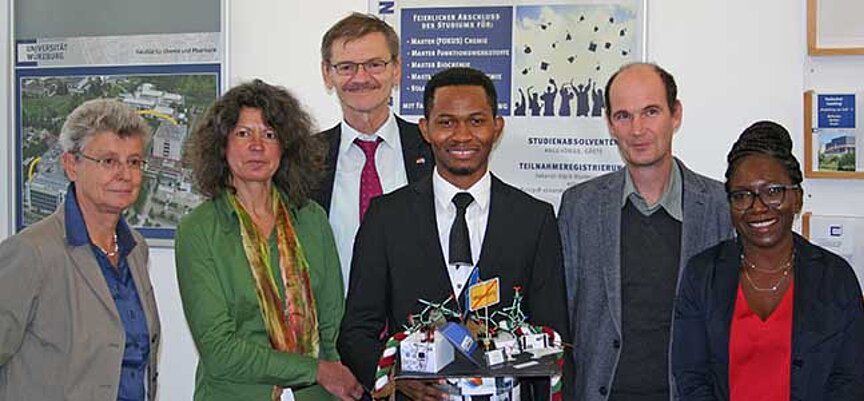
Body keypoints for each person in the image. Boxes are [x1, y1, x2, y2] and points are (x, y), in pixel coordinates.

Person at [338, 67, 569, 400]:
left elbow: (554, 333)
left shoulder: (534, 218)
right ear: (425, 129)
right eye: (446, 122)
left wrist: (502, 367)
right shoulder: (386, 217)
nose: (462, 136)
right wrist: (399, 373)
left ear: (497, 126)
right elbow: (356, 333)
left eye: (476, 121)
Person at [175, 80, 363, 401]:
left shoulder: (311, 219)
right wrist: (315, 370)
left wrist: (332, 377)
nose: (257, 145)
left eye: (270, 134)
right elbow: (220, 351)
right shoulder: (199, 229)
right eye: (243, 133)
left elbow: (332, 323)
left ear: (285, 147)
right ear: (222, 145)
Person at [558, 62, 734, 401]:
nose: (637, 129)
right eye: (624, 116)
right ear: (610, 123)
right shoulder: (579, 207)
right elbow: (561, 321)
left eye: (650, 112)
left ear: (676, 114)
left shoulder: (719, 206)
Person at [671, 121, 864, 400]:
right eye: (742, 195)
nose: (758, 207)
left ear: (797, 198)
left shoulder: (835, 277)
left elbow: (851, 378)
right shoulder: (702, 274)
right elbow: (692, 376)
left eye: (773, 191)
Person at [0, 99, 160, 401]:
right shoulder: (31, 253)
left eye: (134, 161)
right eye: (109, 161)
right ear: (71, 165)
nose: (125, 174)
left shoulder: (136, 249)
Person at [315, 12, 435, 293]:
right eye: (346, 67)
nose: (361, 78)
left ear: (397, 70)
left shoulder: (433, 149)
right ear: (327, 74)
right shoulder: (303, 159)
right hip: (333, 328)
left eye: (374, 64)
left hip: (420, 329)